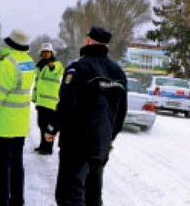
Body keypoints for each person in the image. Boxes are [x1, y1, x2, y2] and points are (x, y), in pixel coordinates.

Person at [44, 26, 128, 206]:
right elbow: (121, 113)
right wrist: (109, 137)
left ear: (88, 41)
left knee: (70, 195)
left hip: (76, 142)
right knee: (93, 193)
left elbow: (67, 103)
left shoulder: (79, 68)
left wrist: (52, 128)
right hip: (101, 143)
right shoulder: (118, 73)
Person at [0, 29, 37, 206]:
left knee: (2, 168)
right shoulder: (29, 62)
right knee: (17, 165)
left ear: (10, 43)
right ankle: (17, 201)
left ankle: (0, 202)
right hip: (20, 124)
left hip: (4, 125)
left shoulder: (6, 64)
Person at [31, 43, 64, 155]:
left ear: (51, 53)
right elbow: (37, 83)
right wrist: (34, 98)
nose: (46, 54)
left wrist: (52, 67)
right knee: (41, 125)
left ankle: (48, 148)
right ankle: (42, 145)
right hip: (41, 102)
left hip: (51, 102)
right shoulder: (39, 65)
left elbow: (57, 71)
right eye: (44, 52)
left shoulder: (56, 64)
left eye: (48, 52)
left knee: (49, 127)